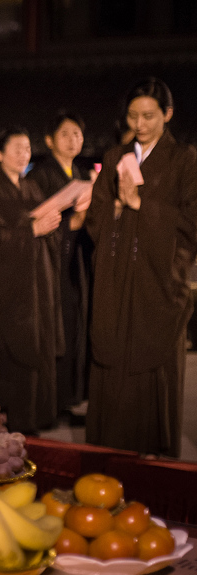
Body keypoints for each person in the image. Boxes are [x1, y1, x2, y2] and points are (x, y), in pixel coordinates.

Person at [85, 78, 197, 458]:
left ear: (167, 114)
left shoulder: (185, 159)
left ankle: (152, 462)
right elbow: (96, 216)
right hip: (117, 279)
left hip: (157, 282)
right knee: (112, 358)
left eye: (149, 115)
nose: (140, 124)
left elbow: (191, 223)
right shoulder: (116, 157)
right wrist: (116, 206)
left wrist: (140, 205)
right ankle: (106, 460)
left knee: (153, 367)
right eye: (133, 116)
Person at [0, 127, 63, 434]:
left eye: (27, 149)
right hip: (7, 283)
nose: (24, 154)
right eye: (17, 149)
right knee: (11, 346)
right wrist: (31, 231)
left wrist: (52, 224)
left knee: (37, 341)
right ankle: (10, 418)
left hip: (37, 279)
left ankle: (36, 415)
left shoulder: (31, 187)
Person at [27, 111, 92, 416]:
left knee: (76, 323)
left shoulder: (78, 173)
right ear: (49, 140)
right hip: (52, 264)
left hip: (74, 261)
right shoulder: (41, 175)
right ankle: (56, 401)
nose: (72, 140)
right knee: (60, 326)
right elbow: (39, 223)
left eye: (77, 134)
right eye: (65, 134)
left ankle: (72, 396)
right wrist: (75, 222)